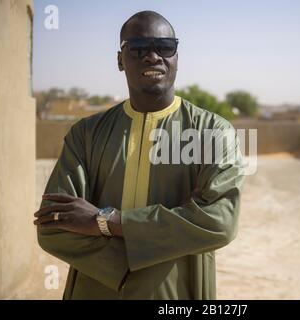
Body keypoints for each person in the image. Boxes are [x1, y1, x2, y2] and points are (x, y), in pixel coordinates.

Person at [34, 10, 244, 300]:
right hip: (95, 291)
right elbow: (53, 224)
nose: (153, 56)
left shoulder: (212, 132)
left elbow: (219, 221)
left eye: (165, 47)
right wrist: (143, 253)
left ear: (177, 57)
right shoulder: (86, 134)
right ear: (120, 60)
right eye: (138, 48)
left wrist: (103, 221)